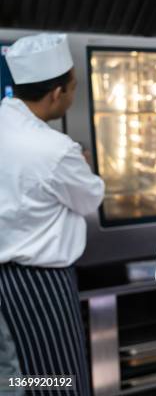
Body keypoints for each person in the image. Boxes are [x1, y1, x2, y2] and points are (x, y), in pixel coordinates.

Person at [0, 33, 104, 395]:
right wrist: (85, 167)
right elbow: (90, 199)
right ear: (58, 93)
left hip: (5, 281)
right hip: (40, 283)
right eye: (74, 86)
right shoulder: (55, 150)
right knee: (57, 378)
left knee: (17, 377)